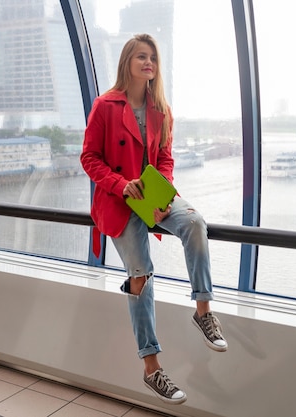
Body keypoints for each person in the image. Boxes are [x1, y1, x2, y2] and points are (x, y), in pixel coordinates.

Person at [80, 33, 227, 405]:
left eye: (154, 59)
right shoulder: (105, 106)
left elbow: (164, 159)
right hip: (119, 200)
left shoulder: (161, 109)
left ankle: (203, 311)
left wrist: (162, 196)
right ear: (128, 61)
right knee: (140, 276)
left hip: (153, 198)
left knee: (194, 222)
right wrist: (120, 184)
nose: (149, 63)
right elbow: (89, 158)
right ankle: (152, 368)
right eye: (142, 57)